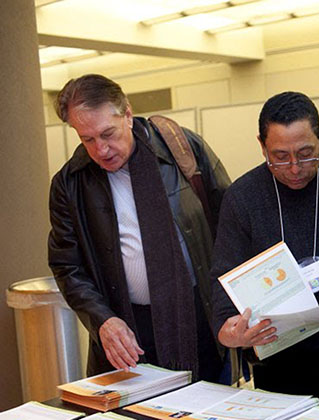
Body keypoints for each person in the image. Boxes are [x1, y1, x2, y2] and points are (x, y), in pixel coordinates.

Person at [48, 74, 231, 381]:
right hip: (128, 335)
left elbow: (231, 225)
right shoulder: (70, 183)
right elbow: (67, 267)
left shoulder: (182, 149)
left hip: (201, 323)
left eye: (108, 133)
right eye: (87, 139)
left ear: (128, 115)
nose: (101, 150)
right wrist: (102, 320)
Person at [210, 91, 319, 413]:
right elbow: (223, 271)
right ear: (261, 146)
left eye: (306, 153)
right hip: (277, 359)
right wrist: (228, 328)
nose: (295, 168)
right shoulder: (242, 197)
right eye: (280, 156)